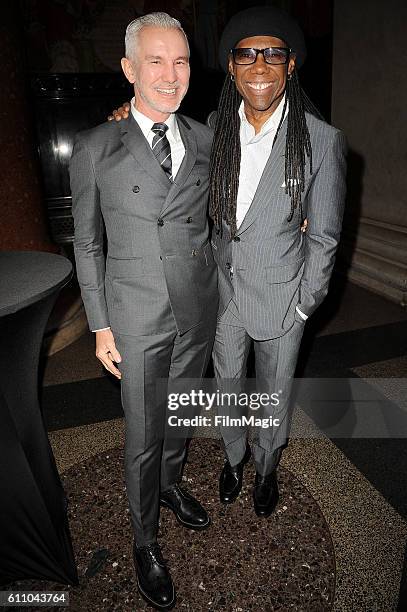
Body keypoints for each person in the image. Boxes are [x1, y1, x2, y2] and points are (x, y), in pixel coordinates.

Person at [109, 5, 346, 519]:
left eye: (273, 54)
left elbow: (325, 236)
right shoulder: (213, 128)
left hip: (285, 295)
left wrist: (307, 304)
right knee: (229, 387)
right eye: (246, 55)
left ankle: (265, 467)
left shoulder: (320, 142)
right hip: (222, 291)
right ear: (232, 68)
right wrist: (126, 116)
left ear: (290, 66)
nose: (260, 66)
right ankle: (235, 458)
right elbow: (161, 143)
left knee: (274, 392)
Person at [70, 12, 218, 611]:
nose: (170, 73)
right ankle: (144, 541)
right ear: (129, 68)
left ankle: (175, 484)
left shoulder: (207, 140)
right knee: (142, 435)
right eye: (155, 60)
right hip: (134, 315)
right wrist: (100, 324)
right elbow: (87, 243)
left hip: (197, 308)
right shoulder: (95, 146)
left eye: (181, 60)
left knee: (180, 414)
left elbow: (220, 219)